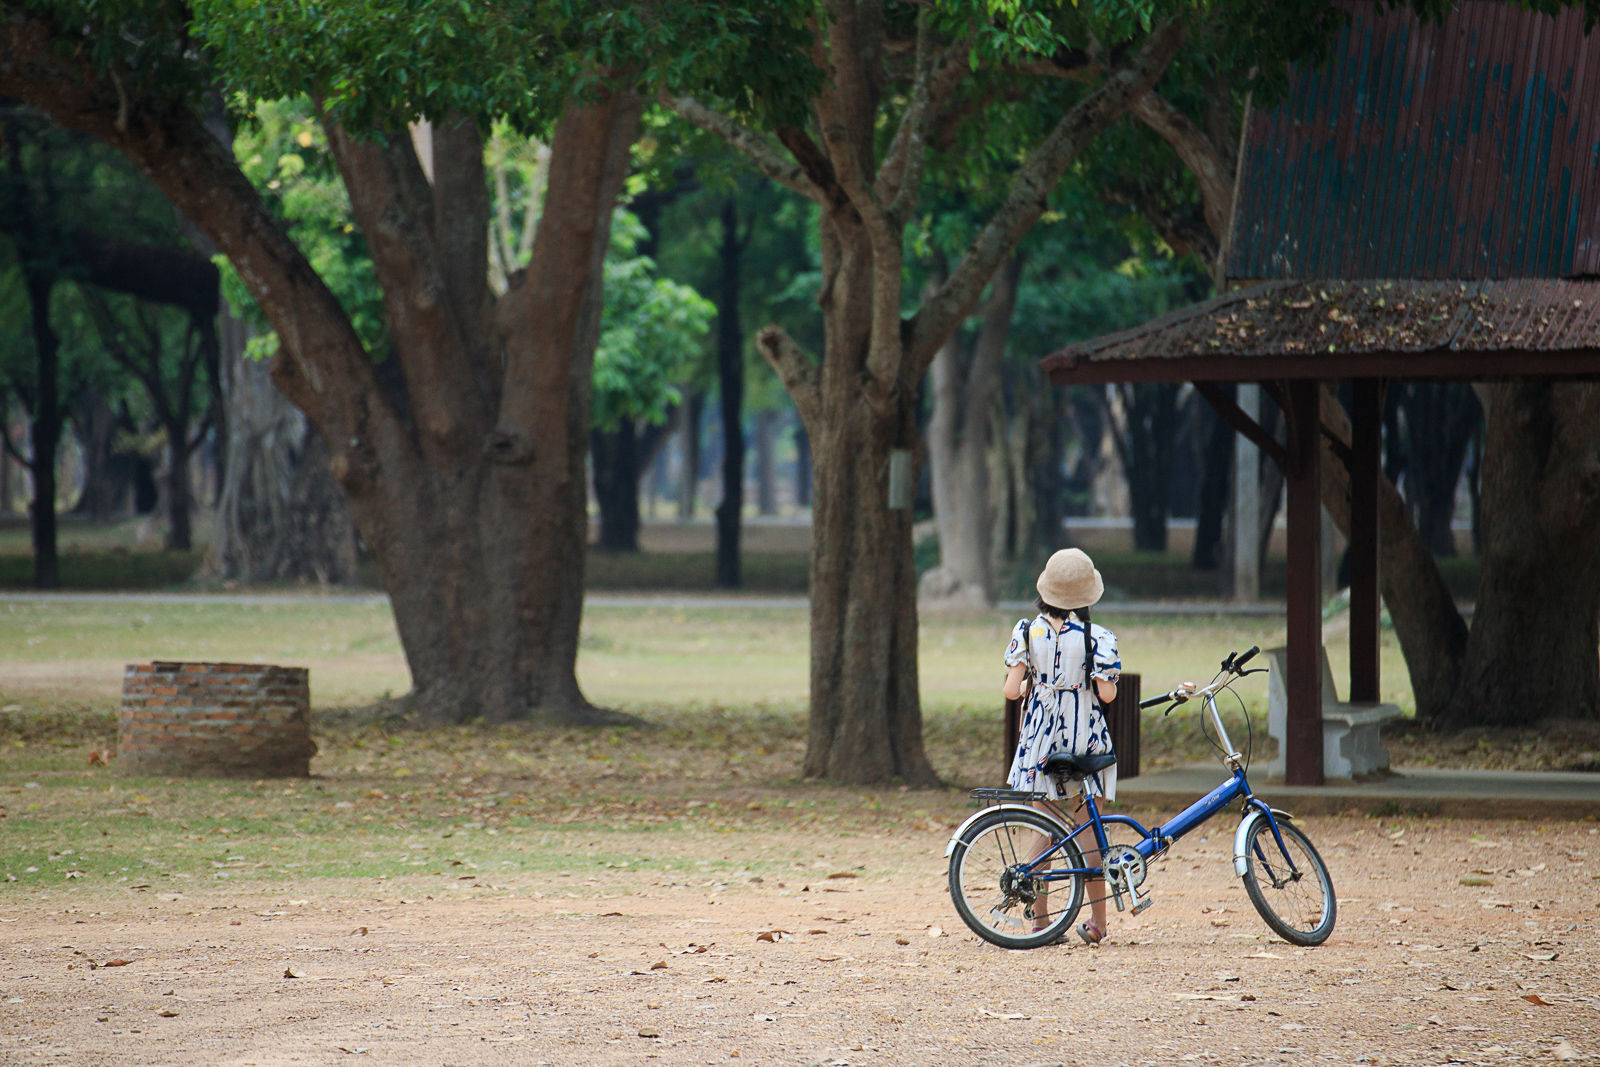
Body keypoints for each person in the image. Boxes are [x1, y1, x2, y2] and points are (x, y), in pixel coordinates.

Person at [1002, 547, 1121, 946]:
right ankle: (1098, 922)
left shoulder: (1025, 631)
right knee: (1088, 825)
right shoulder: (1098, 637)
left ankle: (1041, 923)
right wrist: (1106, 682)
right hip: (1083, 734)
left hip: (1041, 737)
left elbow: (1009, 689)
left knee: (1043, 825)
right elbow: (1106, 695)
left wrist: (1028, 686)